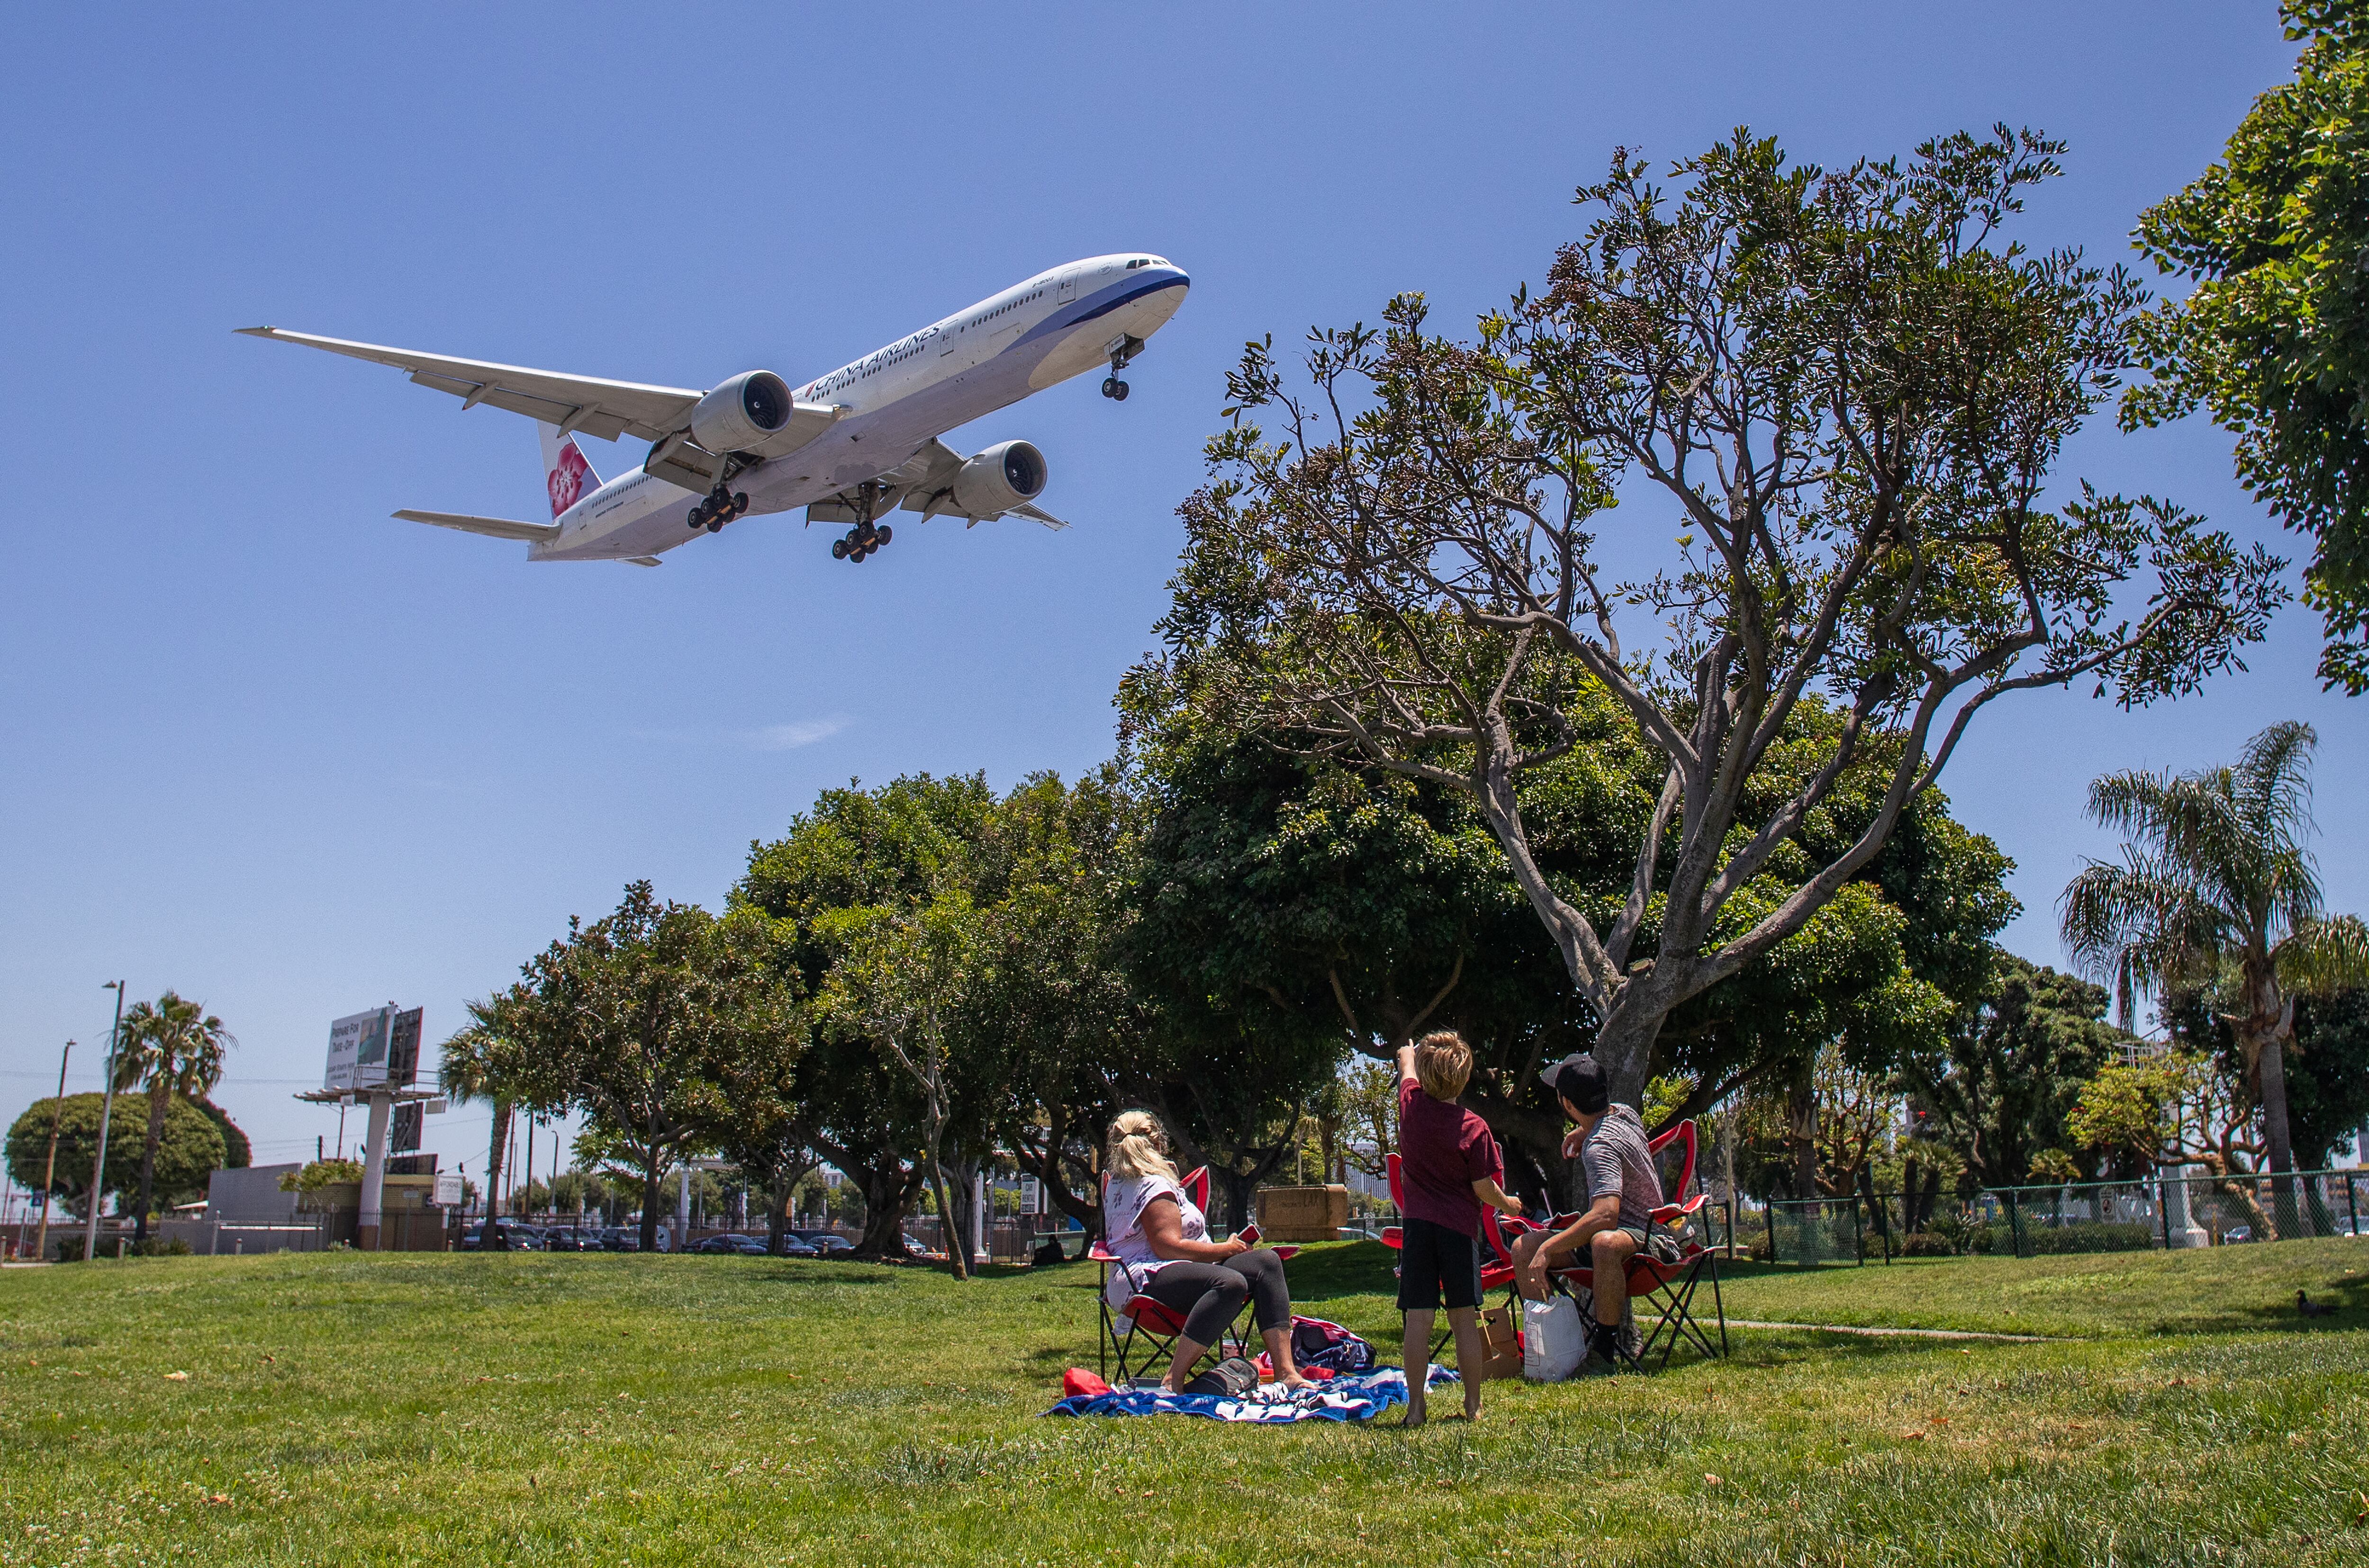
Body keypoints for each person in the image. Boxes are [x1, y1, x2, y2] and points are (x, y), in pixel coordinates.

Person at [1100, 1109, 1313, 1392]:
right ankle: (1172, 1379)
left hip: (1152, 1274)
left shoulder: (1120, 1181)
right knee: (1230, 1284)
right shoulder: (1153, 1185)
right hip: (1146, 1279)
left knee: (1266, 1262)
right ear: (1159, 1145)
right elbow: (1167, 1247)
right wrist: (1223, 1249)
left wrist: (1222, 1251)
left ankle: (1286, 1372)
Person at [1394, 1031, 1525, 1425]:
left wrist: (1409, 1053)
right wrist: (1509, 1204)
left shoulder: (1411, 1108)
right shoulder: (1474, 1127)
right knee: (1464, 1320)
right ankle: (1473, 1405)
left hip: (1418, 1230)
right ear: (1465, 1079)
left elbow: (1405, 1070)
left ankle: (1416, 1407)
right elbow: (1483, 1188)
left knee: (1418, 1322)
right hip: (1458, 1233)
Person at [1508, 1054, 1664, 1375]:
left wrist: (1549, 1249)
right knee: (1524, 1248)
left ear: (1566, 1104)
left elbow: (1606, 1215)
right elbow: (1611, 1113)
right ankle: (1549, 1353)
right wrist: (1584, 1130)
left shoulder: (1600, 1147)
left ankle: (1603, 1354)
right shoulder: (1626, 1115)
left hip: (1651, 1241)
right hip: (1623, 1237)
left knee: (1603, 1242)